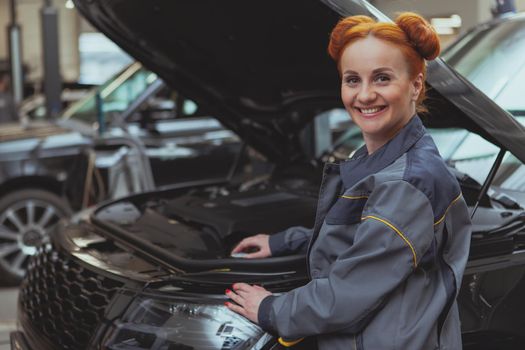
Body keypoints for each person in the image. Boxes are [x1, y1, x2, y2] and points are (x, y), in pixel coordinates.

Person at [225, 12, 472, 350]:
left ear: (416, 84)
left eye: (382, 78)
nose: (365, 95)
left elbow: (347, 293)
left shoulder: (409, 182)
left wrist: (270, 309)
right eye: (352, 79)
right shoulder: (376, 157)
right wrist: (284, 242)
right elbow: (361, 238)